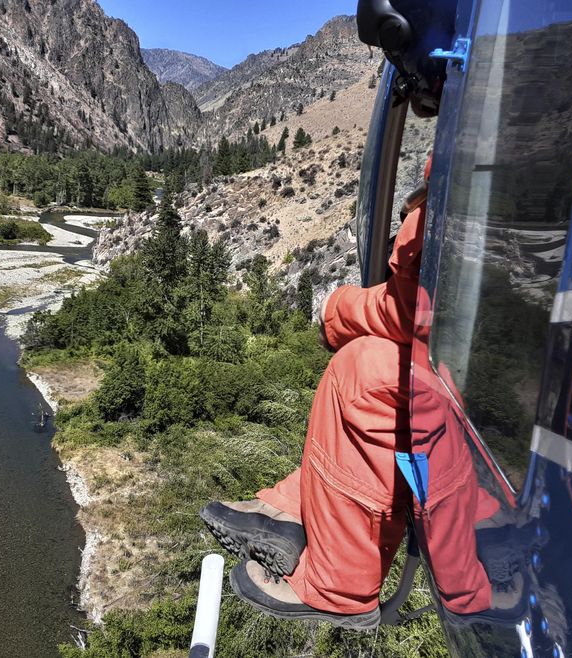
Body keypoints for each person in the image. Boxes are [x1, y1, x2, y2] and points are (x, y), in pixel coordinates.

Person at [200, 0, 482, 628]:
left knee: (365, 373)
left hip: (495, 407)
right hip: (509, 378)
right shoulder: (501, 142)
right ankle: (297, 507)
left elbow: (420, 310)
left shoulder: (480, 153)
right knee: (375, 368)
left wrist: (336, 309)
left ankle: (339, 582)